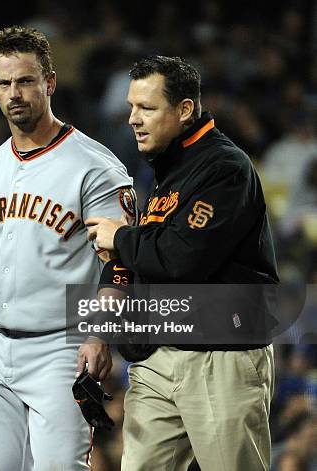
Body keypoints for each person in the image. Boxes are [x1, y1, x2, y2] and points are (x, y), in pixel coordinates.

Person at [0, 26, 133, 470]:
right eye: (5, 83)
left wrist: (99, 334)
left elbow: (119, 266)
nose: (14, 93)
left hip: (62, 348)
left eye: (25, 80)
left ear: (50, 82)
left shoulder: (95, 166)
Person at [86, 56, 278, 470]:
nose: (133, 119)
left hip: (220, 355)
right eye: (131, 107)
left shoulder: (225, 168)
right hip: (158, 355)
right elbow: (149, 260)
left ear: (185, 110)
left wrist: (119, 237)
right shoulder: (168, 171)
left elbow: (181, 258)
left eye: (147, 108)